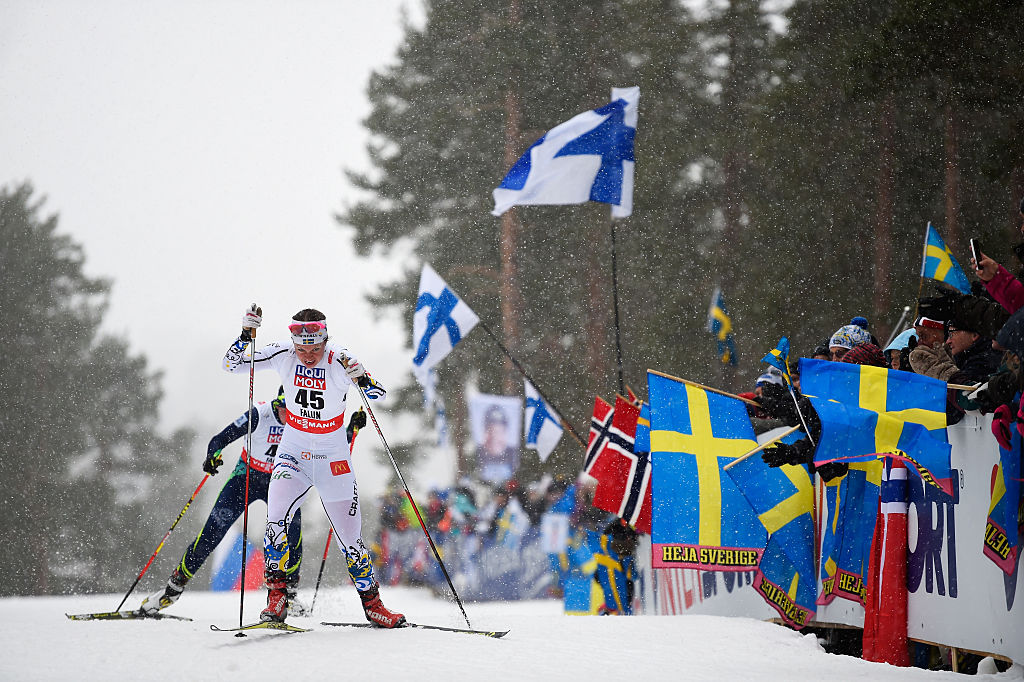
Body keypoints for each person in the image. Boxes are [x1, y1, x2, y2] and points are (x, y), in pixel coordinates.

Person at [223, 305, 405, 626]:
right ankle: (277, 597)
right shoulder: (282, 354)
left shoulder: (338, 357)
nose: (308, 355)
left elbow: (376, 394)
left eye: (315, 348)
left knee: (351, 539)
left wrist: (361, 375)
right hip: (293, 454)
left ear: (325, 340)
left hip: (333, 459)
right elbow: (231, 365)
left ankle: (373, 603)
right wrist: (245, 334)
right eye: (302, 348)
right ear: (293, 342)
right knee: (276, 522)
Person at [141, 389, 311, 616]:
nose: (287, 417)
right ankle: (172, 589)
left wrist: (350, 430)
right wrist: (212, 455)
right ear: (276, 404)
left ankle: (289, 596)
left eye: (292, 412)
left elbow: (331, 445)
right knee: (211, 533)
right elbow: (220, 438)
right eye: (283, 410)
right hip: (246, 477)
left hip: (279, 481)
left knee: (294, 533)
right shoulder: (259, 413)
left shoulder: (307, 419)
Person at [591, 520, 638, 615]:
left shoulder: (601, 547)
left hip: (612, 601)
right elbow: (633, 576)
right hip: (621, 604)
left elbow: (596, 576)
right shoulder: (624, 556)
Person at [476, 405, 519, 484]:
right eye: (491, 431)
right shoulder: (478, 454)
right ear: (484, 432)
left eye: (500, 432)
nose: (495, 438)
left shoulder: (513, 454)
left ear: (506, 432)